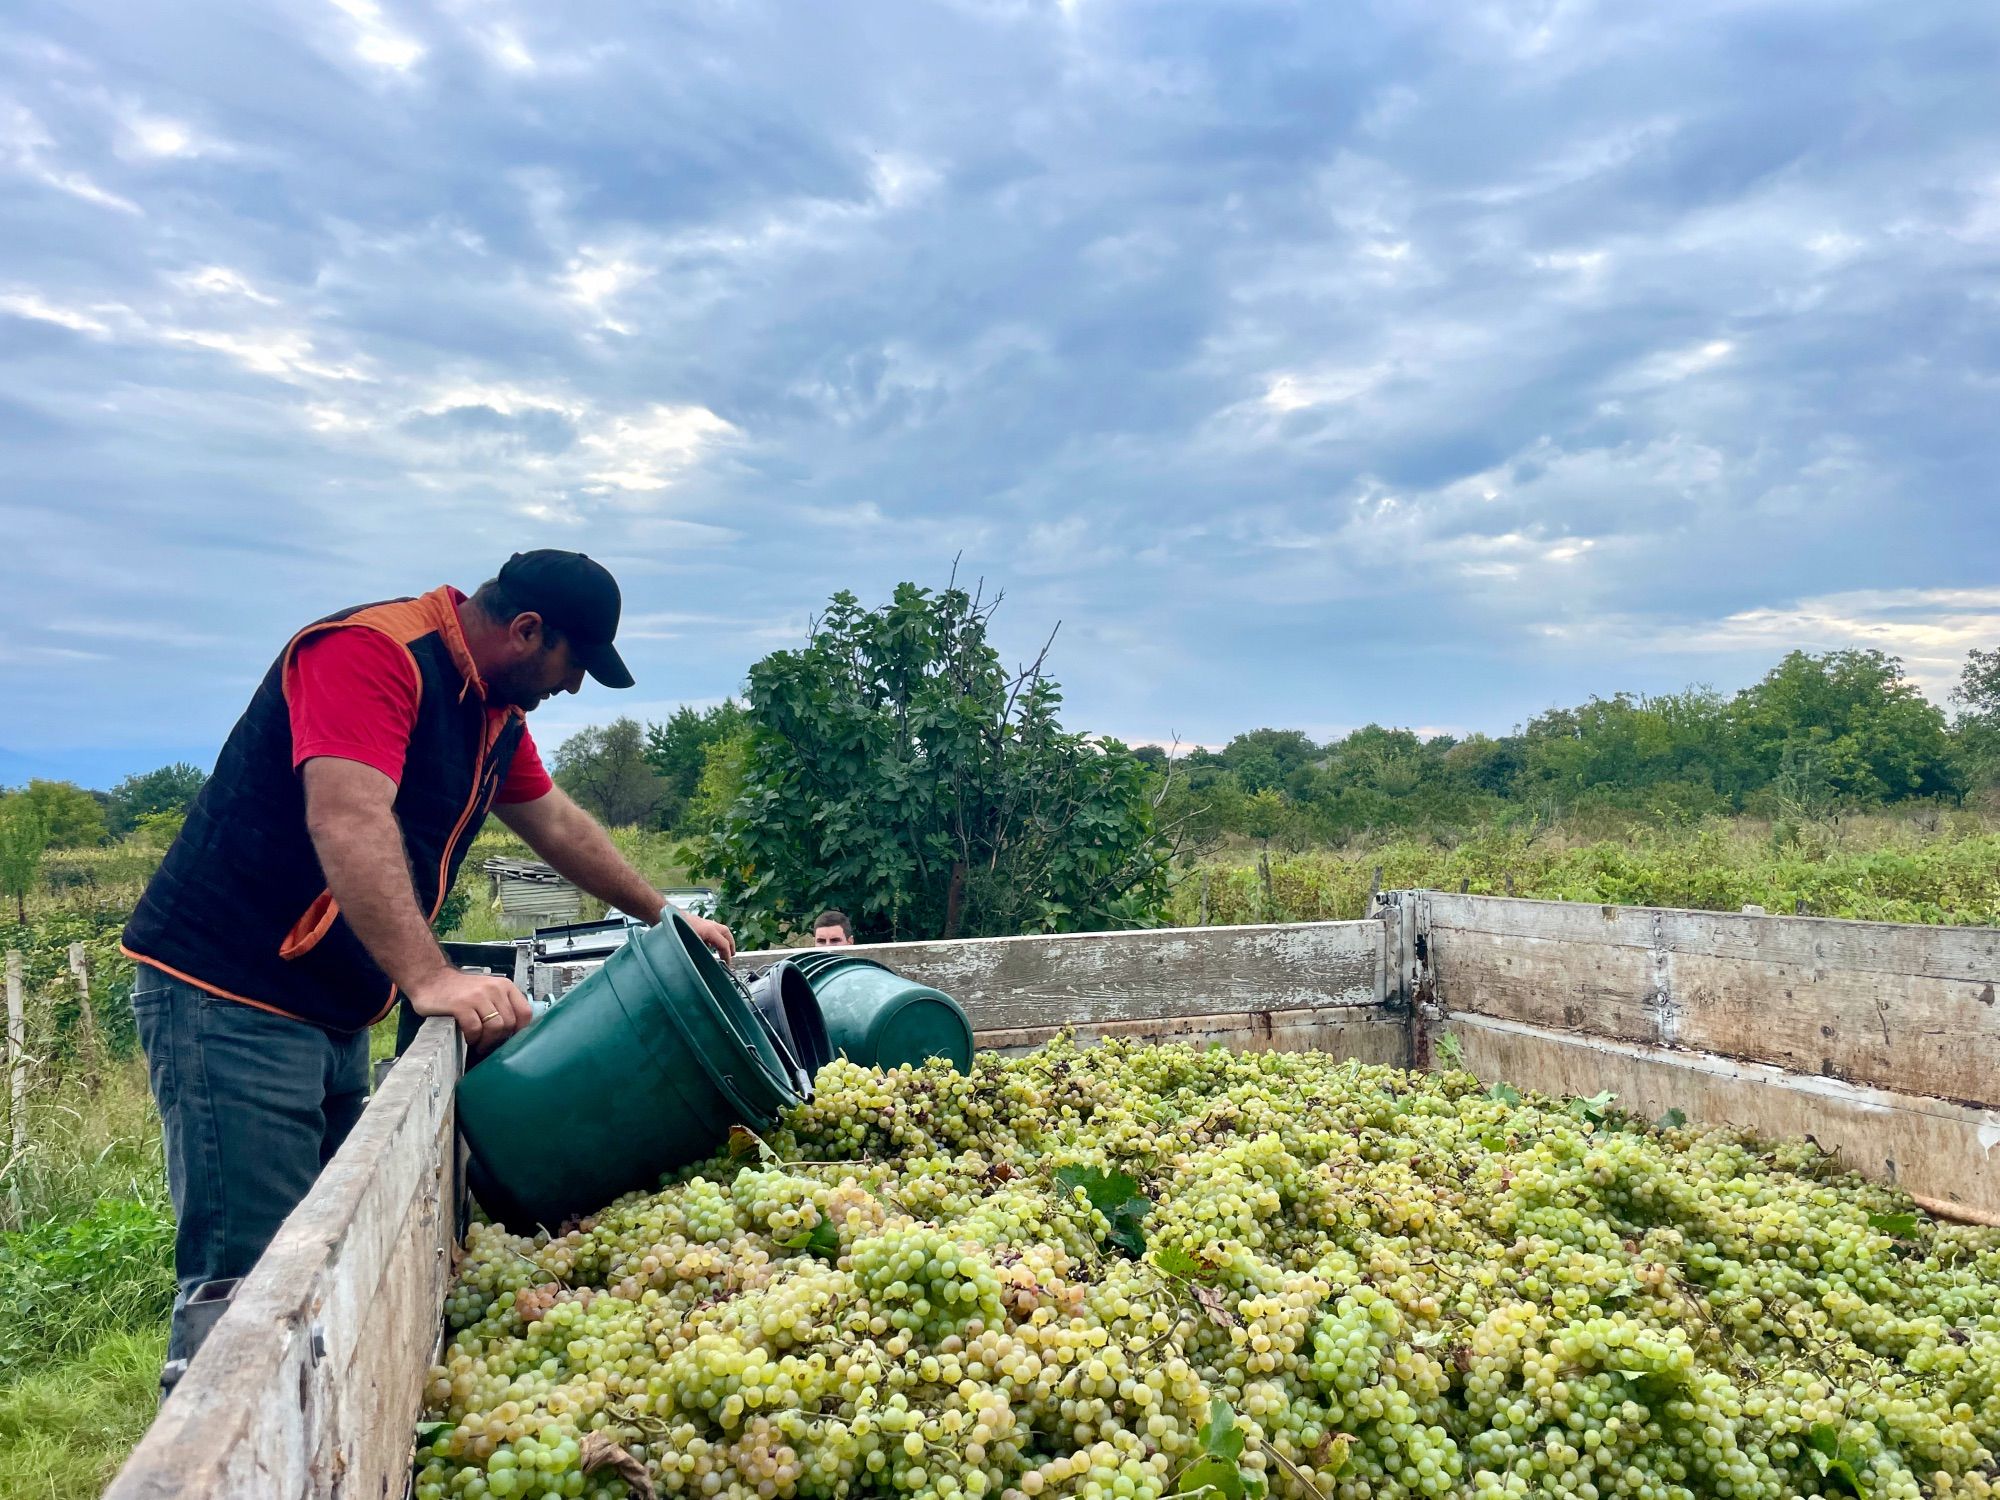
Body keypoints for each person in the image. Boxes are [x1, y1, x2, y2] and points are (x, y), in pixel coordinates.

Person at [121, 550, 737, 1369]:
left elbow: (554, 823)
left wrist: (666, 917)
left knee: (332, 1258)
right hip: (231, 994)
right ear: (526, 631)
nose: (575, 687)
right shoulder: (373, 654)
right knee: (253, 1288)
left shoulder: (492, 713)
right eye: (574, 664)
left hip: (329, 1004)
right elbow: (347, 819)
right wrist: (430, 977)